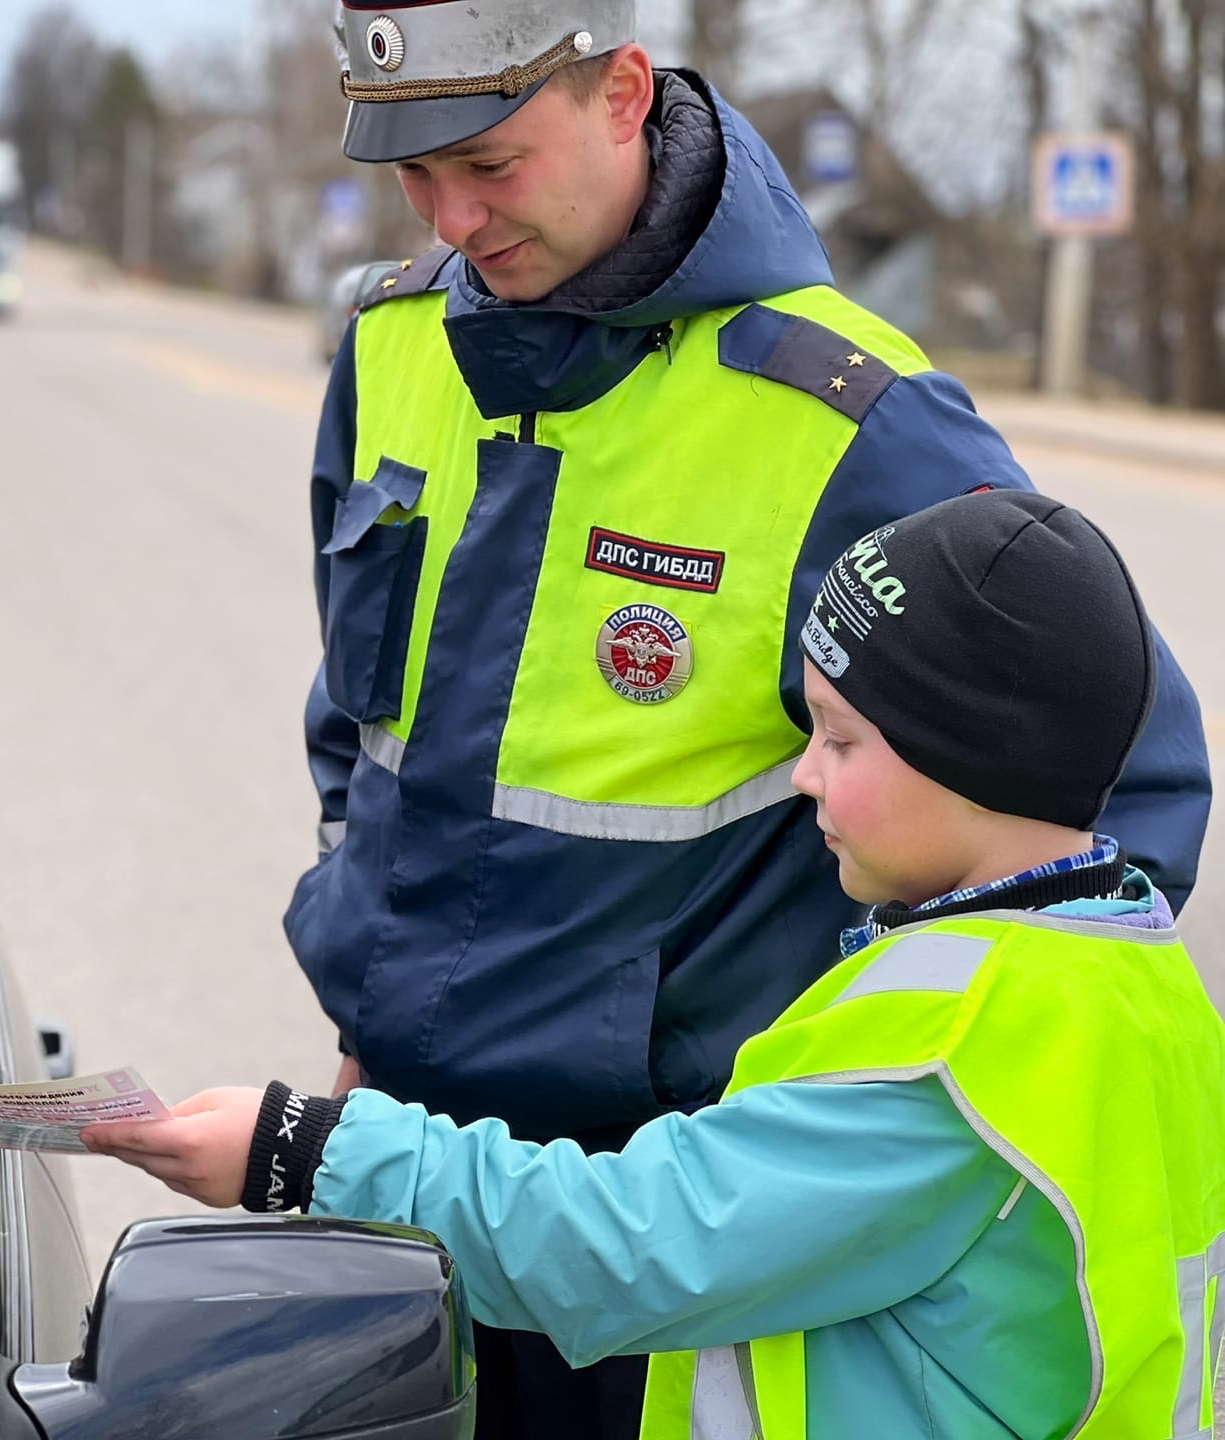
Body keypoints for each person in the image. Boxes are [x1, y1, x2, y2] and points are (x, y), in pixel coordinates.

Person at [290, 4, 1213, 1431]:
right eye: (414, 177)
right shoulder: (394, 343)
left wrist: (881, 1137)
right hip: (405, 1159)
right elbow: (362, 715)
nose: (454, 217)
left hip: (680, 1222)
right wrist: (364, 981)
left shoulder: (851, 414)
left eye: (489, 162)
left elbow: (1114, 790)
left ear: (622, 95)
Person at [91, 490, 1225, 1437]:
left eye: (840, 739)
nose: (803, 778)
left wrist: (308, 1151)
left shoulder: (950, 1056)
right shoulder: (1136, 979)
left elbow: (630, 1246)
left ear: (976, 757)